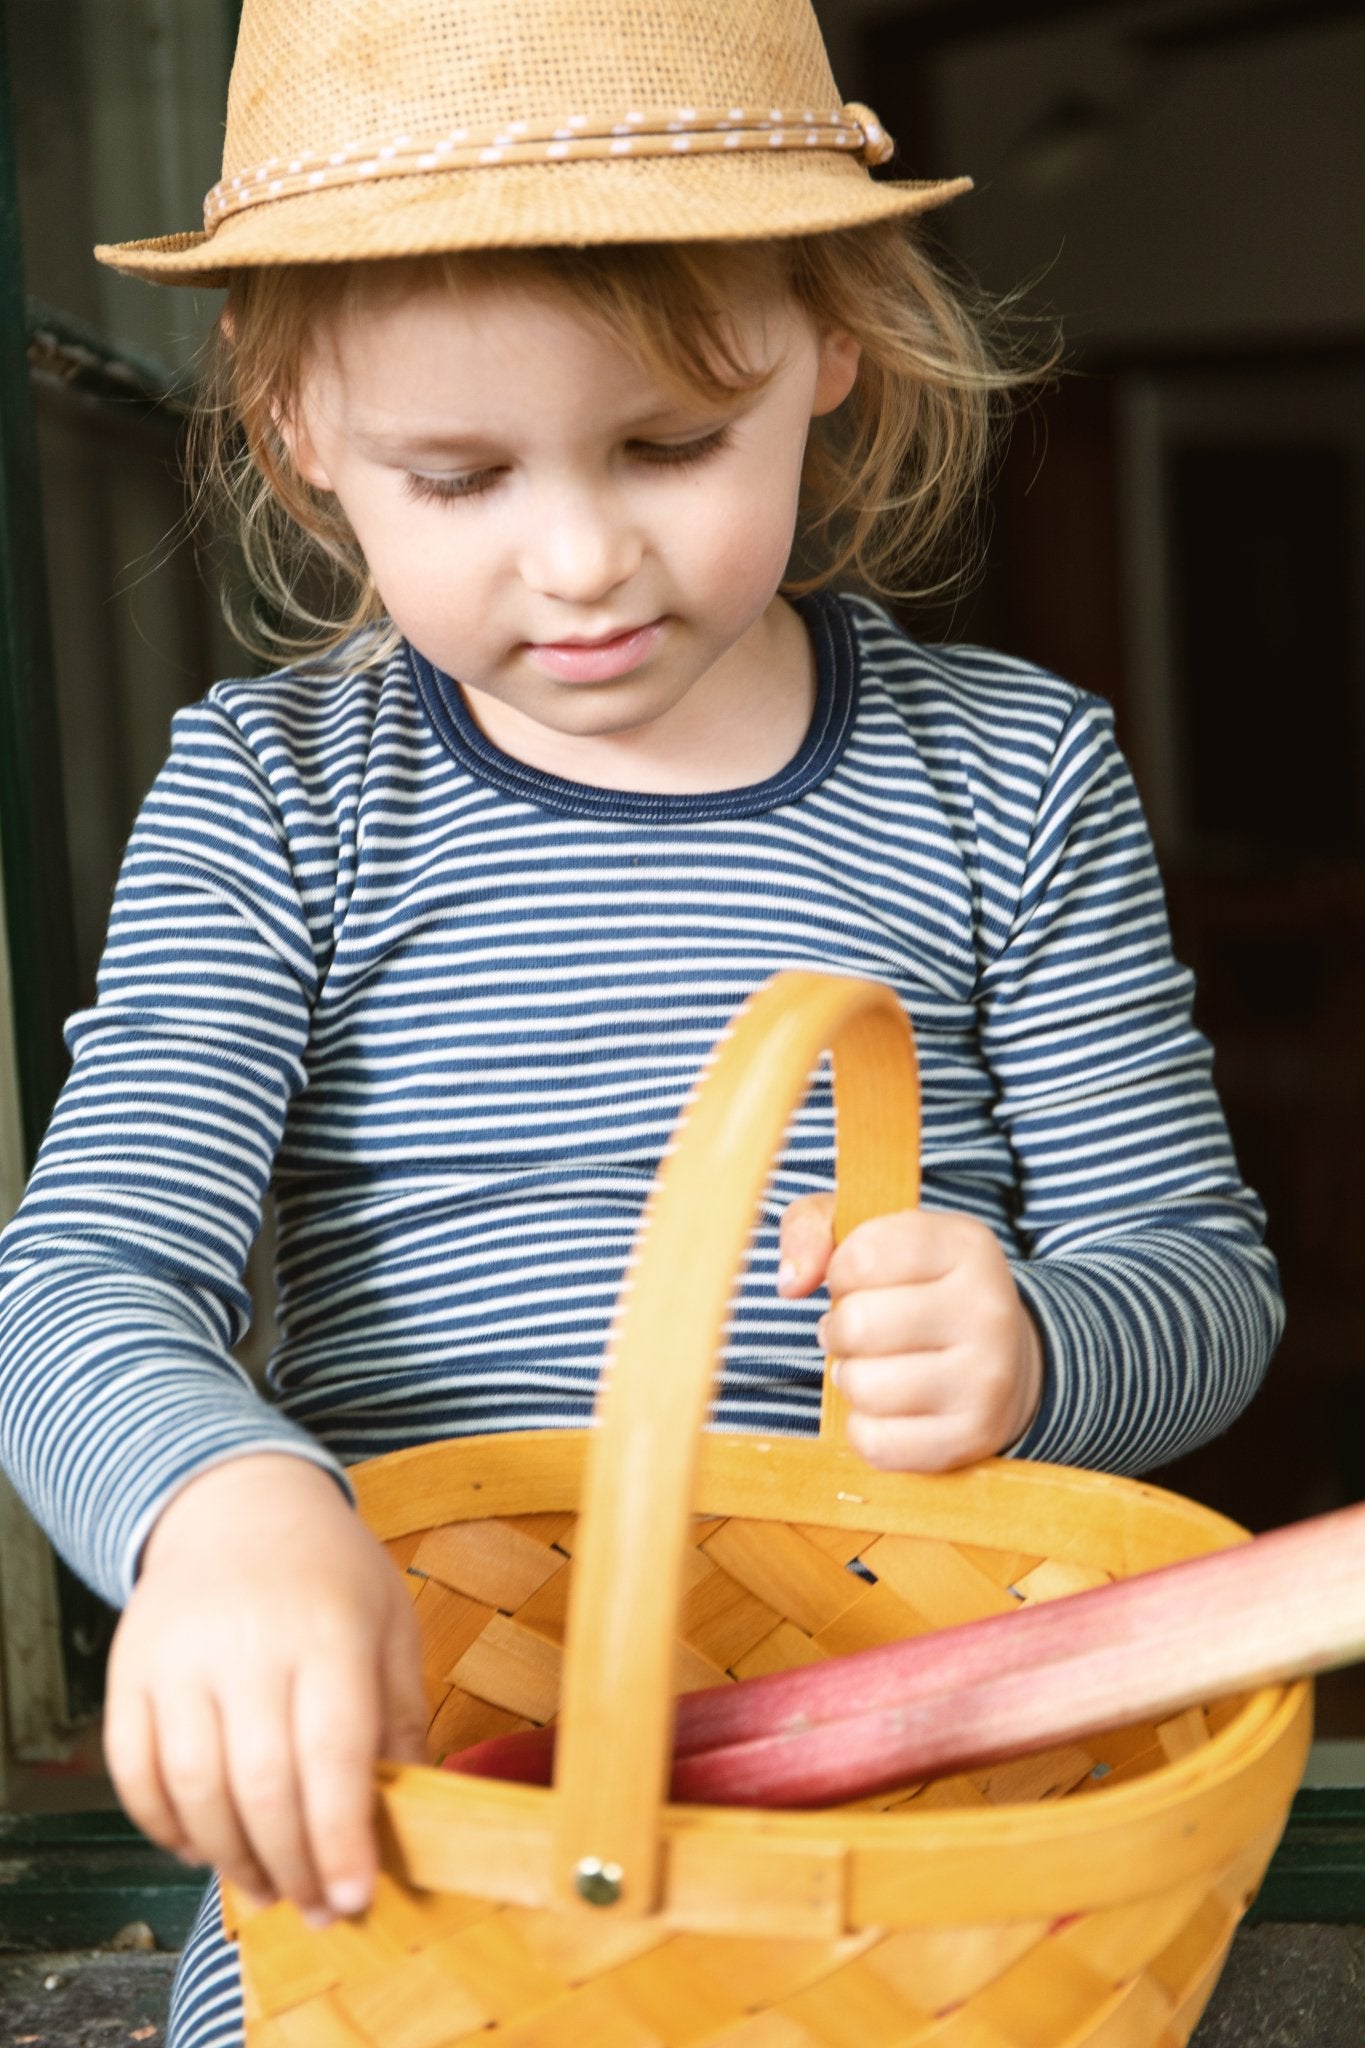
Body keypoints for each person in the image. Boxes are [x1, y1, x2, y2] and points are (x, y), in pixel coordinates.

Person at [0, 0, 1283, 2041]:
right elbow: (84, 1275)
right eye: (458, 475)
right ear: (297, 431)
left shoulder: (1011, 775)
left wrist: (1037, 1344)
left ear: (828, 340)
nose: (580, 559)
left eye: (670, 445)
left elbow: (1201, 1289)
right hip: (427, 1832)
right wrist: (217, 1506)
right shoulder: (274, 799)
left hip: (906, 1866)